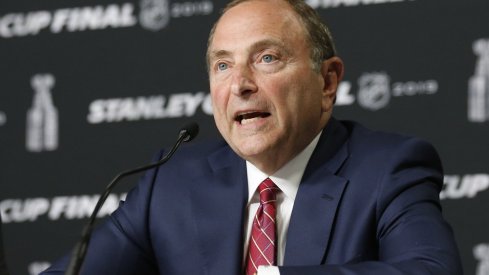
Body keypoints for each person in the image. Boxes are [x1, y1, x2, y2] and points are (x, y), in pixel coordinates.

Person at [42, 0, 462, 274]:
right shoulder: (170, 183)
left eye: (266, 58)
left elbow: (429, 270)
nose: (240, 83)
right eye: (223, 66)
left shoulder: (388, 169)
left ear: (328, 81)